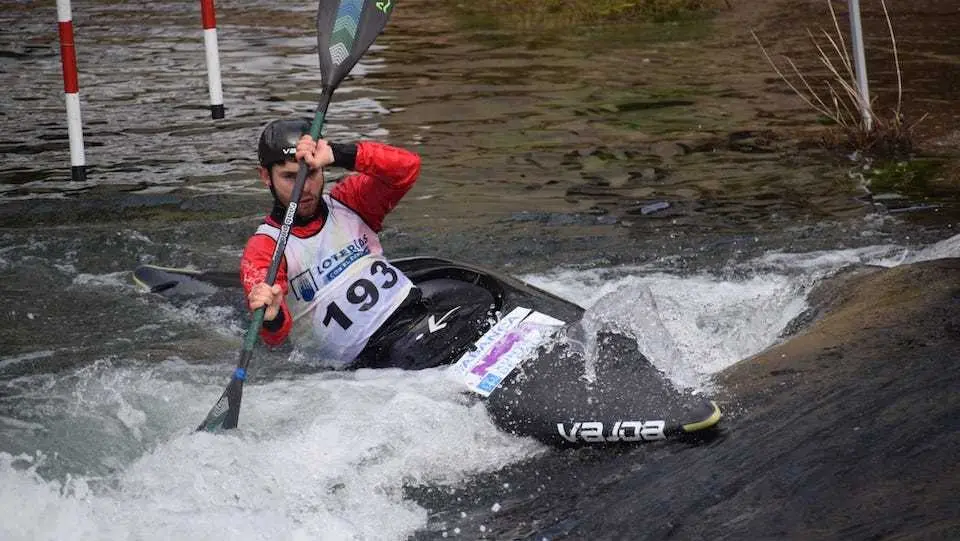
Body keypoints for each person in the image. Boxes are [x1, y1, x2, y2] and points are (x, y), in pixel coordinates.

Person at [241, 118, 495, 370]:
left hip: (412, 314)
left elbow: (407, 168)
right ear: (266, 176)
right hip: (369, 357)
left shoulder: (349, 202)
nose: (304, 188)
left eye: (312, 174)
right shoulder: (264, 248)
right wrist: (271, 317)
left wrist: (338, 153)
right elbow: (274, 336)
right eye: (289, 177)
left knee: (484, 297)